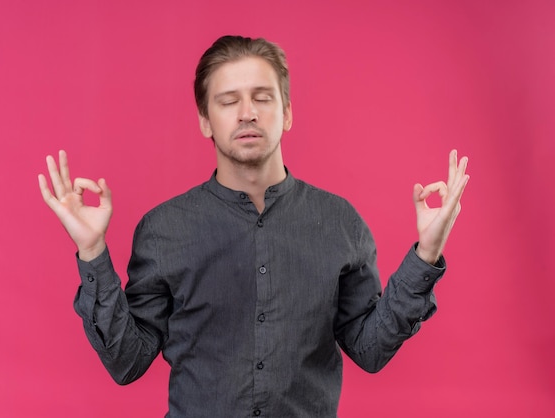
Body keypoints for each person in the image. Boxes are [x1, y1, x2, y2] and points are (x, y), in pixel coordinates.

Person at [38, 35, 469, 417]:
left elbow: (370, 349)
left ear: (287, 114)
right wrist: (92, 251)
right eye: (228, 101)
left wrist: (425, 255)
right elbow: (127, 363)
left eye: (263, 98)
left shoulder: (341, 222)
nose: (247, 113)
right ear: (206, 120)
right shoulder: (163, 229)